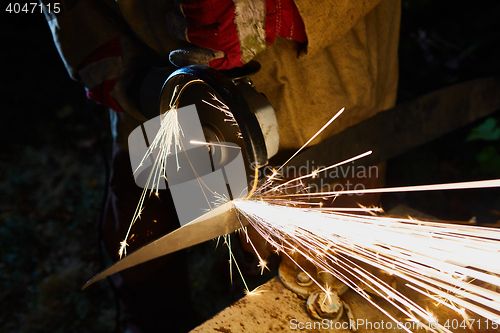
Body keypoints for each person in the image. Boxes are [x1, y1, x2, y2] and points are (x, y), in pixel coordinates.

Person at [42, 0, 401, 331]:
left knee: (314, 266)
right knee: (138, 239)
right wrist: (88, 39)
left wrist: (286, 9)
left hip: (316, 84)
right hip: (152, 61)